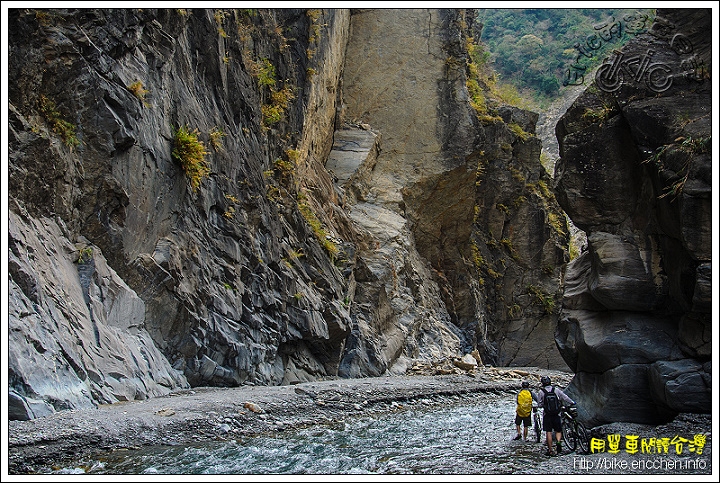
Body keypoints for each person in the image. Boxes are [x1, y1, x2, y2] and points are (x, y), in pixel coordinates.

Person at [535, 375, 575, 456]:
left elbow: (539, 404)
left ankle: (550, 450)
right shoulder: (556, 390)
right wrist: (572, 402)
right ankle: (558, 442)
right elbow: (565, 397)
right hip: (557, 414)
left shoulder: (541, 392)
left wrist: (542, 405)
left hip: (547, 415)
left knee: (548, 432)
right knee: (558, 430)